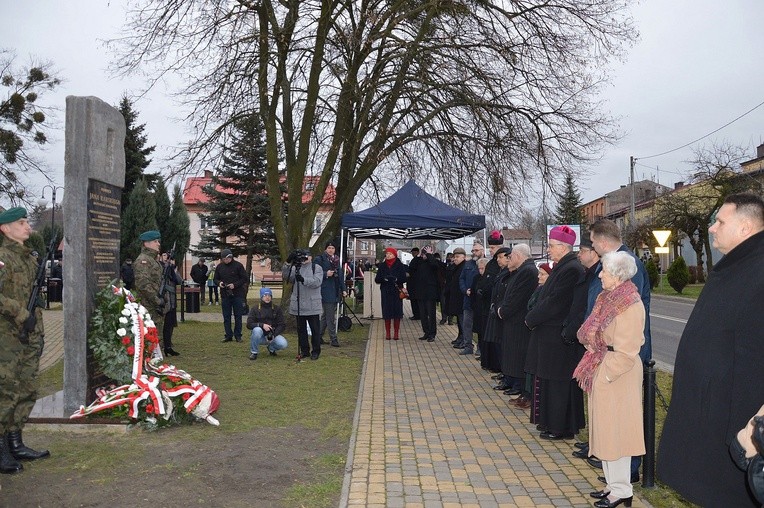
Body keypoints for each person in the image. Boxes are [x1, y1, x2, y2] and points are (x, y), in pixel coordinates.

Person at [658, 193, 764, 507]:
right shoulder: (735, 266)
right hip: (709, 415)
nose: (713, 228)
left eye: (720, 221)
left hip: (734, 426)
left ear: (745, 228)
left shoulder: (758, 271)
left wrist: (749, 433)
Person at [573, 251, 645, 508]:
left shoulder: (629, 303)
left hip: (617, 374)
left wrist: (604, 375)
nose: (600, 274)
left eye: (604, 270)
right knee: (606, 432)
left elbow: (627, 351)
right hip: (605, 366)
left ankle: (622, 490)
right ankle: (613, 485)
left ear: (617, 275)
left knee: (618, 434)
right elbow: (591, 332)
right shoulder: (608, 298)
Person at [0, 207, 50, 474]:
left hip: (31, 334)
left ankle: (15, 442)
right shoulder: (2, 258)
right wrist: (21, 314)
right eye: (20, 223)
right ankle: (1, 449)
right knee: (6, 392)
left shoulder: (29, 259)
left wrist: (37, 328)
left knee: (27, 389)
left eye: (26, 222)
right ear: (5, 229)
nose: (27, 226)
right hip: (8, 336)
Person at [525, 225, 585, 440]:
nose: (549, 250)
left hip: (558, 335)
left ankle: (561, 427)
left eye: (551, 246)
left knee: (559, 383)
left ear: (563, 246)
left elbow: (555, 302)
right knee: (550, 381)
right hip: (550, 335)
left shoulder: (571, 269)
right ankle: (551, 422)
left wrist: (531, 318)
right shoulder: (563, 266)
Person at [498, 244, 538, 409]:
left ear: (519, 255)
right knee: (514, 357)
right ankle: (522, 391)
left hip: (519, 322)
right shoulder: (521, 271)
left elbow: (517, 298)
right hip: (514, 321)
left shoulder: (527, 272)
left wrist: (503, 311)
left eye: (512, 256)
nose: (509, 259)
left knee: (519, 357)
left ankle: (524, 391)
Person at [282, 249, 323, 360]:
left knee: (315, 330)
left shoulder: (317, 268)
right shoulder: (296, 267)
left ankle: (316, 351)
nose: (304, 259)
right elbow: (286, 277)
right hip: (299, 304)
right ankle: (304, 350)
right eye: (302, 257)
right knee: (301, 330)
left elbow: (317, 282)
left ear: (311, 257)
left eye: (306, 256)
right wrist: (288, 262)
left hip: (312, 305)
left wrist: (304, 279)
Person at [483, 246, 513, 379]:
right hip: (495, 311)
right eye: (497, 258)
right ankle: (503, 372)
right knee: (497, 344)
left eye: (501, 257)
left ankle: (505, 372)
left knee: (502, 346)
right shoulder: (501, 272)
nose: (498, 260)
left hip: (502, 313)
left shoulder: (509, 273)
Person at [133, 230, 166, 350]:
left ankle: (156, 363)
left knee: (157, 339)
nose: (158, 244)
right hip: (148, 306)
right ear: (146, 243)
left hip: (155, 307)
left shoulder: (152, 260)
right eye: (155, 241)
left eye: (158, 241)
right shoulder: (144, 261)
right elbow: (143, 285)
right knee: (150, 340)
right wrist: (157, 300)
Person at [314, 241, 345, 347]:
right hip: (325, 290)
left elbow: (340, 276)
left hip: (335, 290)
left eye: (332, 248)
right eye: (329, 248)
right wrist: (325, 274)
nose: (331, 250)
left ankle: (318, 336)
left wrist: (344, 289)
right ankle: (333, 338)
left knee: (325, 316)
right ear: (325, 249)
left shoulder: (336, 260)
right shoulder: (320, 259)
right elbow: (314, 273)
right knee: (330, 316)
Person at [214, 249, 248, 343]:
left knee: (238, 316)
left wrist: (234, 285)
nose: (225, 260)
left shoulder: (238, 266)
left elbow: (244, 278)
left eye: (227, 258)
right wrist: (219, 283)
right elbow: (215, 279)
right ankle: (228, 335)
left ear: (230, 257)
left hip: (237, 294)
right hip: (225, 295)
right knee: (226, 316)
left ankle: (238, 335)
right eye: (223, 259)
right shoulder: (219, 267)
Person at [374, 247, 408, 340]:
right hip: (386, 291)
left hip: (396, 291)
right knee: (387, 312)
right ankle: (388, 333)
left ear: (394, 255)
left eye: (390, 254)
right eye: (387, 254)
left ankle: (396, 333)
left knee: (397, 312)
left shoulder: (399, 265)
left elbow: (404, 278)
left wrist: (396, 279)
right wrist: (384, 279)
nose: (388, 255)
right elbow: (377, 279)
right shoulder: (382, 265)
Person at [409, 245, 440, 342]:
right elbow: (412, 268)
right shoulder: (419, 261)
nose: (424, 254)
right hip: (420, 292)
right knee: (423, 314)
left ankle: (432, 333)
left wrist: (430, 255)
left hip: (430, 292)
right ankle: (426, 332)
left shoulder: (433, 261)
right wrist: (420, 256)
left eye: (426, 252)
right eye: (423, 252)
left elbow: (435, 266)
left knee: (431, 314)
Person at [246, 287, 287, 360]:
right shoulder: (255, 308)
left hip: (272, 334)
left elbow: (282, 324)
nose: (267, 297)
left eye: (269, 295)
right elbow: (249, 324)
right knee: (257, 330)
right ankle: (254, 352)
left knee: (283, 344)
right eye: (265, 295)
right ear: (261, 297)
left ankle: (271, 348)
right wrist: (262, 325)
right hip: (259, 336)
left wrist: (274, 335)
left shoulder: (277, 309)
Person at [159, 252, 183, 356]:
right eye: (164, 255)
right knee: (160, 325)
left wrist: (173, 270)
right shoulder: (158, 267)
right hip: (163, 301)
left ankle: (168, 346)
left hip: (172, 301)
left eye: (168, 256)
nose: (166, 258)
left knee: (169, 325)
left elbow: (179, 281)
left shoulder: (172, 268)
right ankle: (160, 345)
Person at [445, 247, 466, 348]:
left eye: (458, 256)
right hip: (455, 297)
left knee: (463, 320)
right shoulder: (455, 267)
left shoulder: (464, 267)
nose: (455, 259)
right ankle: (460, 336)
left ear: (463, 257)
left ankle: (464, 340)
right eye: (454, 257)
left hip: (461, 298)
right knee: (459, 319)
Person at [406, 247, 421, 320]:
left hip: (413, 284)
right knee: (417, 301)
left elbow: (410, 271)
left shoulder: (415, 260)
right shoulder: (420, 260)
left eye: (414, 252)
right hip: (417, 284)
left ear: (417, 252)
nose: (412, 254)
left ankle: (416, 315)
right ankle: (418, 314)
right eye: (412, 252)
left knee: (414, 301)